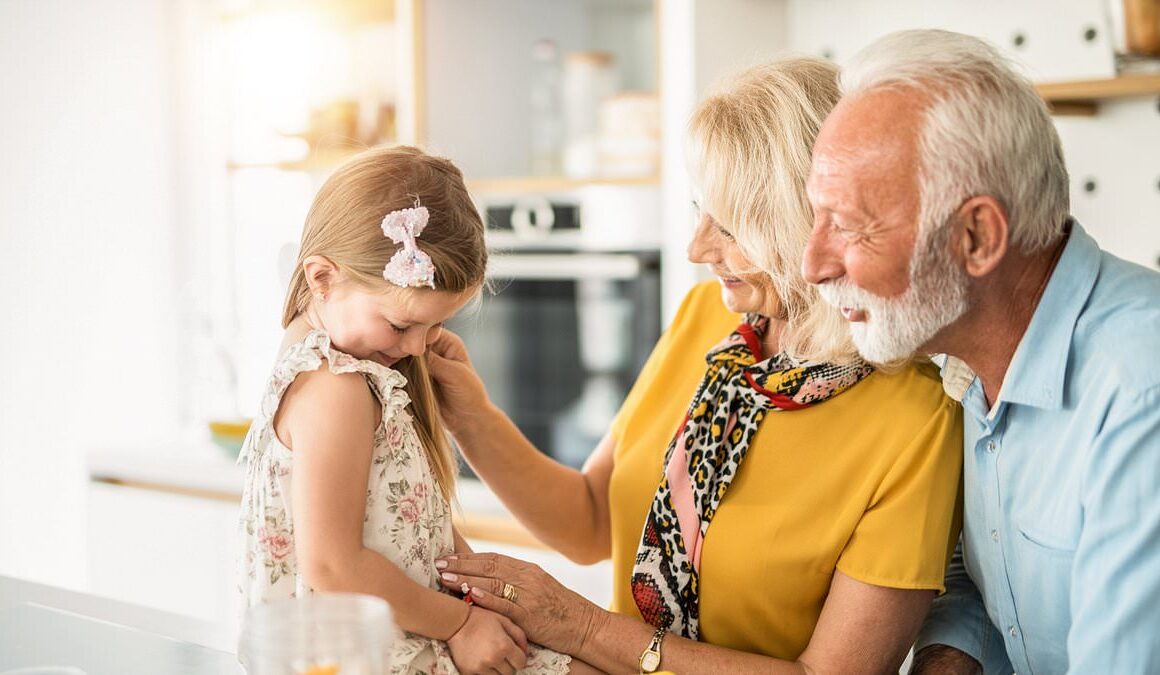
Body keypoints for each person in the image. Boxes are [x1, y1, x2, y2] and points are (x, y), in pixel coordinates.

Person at [426, 58, 964, 674]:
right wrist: (470, 416)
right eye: (698, 210)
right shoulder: (709, 320)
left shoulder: (919, 418)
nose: (697, 248)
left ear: (808, 228)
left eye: (731, 228)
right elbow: (588, 520)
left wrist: (579, 626)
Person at [801, 29, 1160, 675]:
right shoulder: (968, 355)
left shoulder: (1142, 390)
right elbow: (993, 575)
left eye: (849, 226)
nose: (813, 265)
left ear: (976, 237)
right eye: (815, 218)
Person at [236, 146, 600, 674]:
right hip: (376, 650)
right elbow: (333, 565)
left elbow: (418, 527)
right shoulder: (334, 388)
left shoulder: (356, 366)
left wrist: (478, 605)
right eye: (403, 325)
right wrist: (460, 624)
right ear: (322, 279)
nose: (417, 346)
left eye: (436, 325)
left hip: (413, 623)